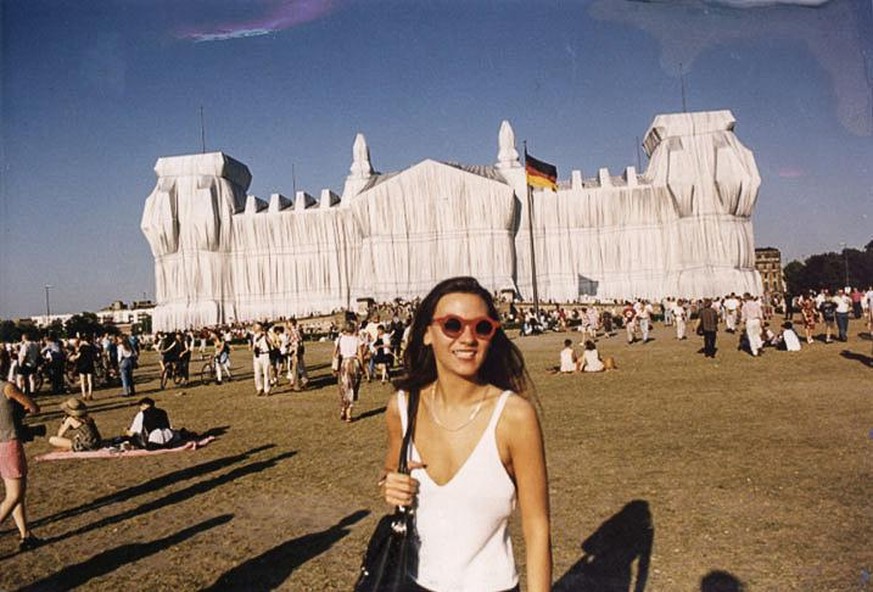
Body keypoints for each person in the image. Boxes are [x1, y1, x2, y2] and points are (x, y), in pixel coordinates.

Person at [382, 276, 551, 591]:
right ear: (426, 334)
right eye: (452, 325)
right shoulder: (402, 408)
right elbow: (392, 472)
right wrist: (390, 485)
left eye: (482, 327)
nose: (468, 338)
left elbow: (537, 526)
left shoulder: (514, 416)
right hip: (414, 582)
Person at [0, 349, 42, 551]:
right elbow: (33, 407)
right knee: (14, 495)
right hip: (9, 442)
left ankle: (26, 534)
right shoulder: (7, 388)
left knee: (16, 492)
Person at [334, 321, 364, 422]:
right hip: (353, 363)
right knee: (352, 388)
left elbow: (335, 353)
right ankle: (349, 414)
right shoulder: (357, 339)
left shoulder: (340, 339)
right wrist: (362, 366)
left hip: (344, 363)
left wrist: (334, 366)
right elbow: (360, 354)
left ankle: (343, 408)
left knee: (343, 387)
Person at [70, 335, 97, 400]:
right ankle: (90, 394)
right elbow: (95, 355)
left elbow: (78, 355)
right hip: (90, 364)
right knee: (90, 381)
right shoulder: (92, 347)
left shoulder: (82, 347)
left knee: (82, 381)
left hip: (82, 364)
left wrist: (73, 358)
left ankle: (84, 395)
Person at [250, 323, 272, 396]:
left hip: (265, 354)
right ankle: (259, 388)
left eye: (255, 326)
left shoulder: (266, 334)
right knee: (257, 373)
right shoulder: (254, 336)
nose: (254, 328)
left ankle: (267, 390)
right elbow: (254, 346)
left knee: (267, 373)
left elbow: (271, 343)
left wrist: (266, 335)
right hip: (257, 355)